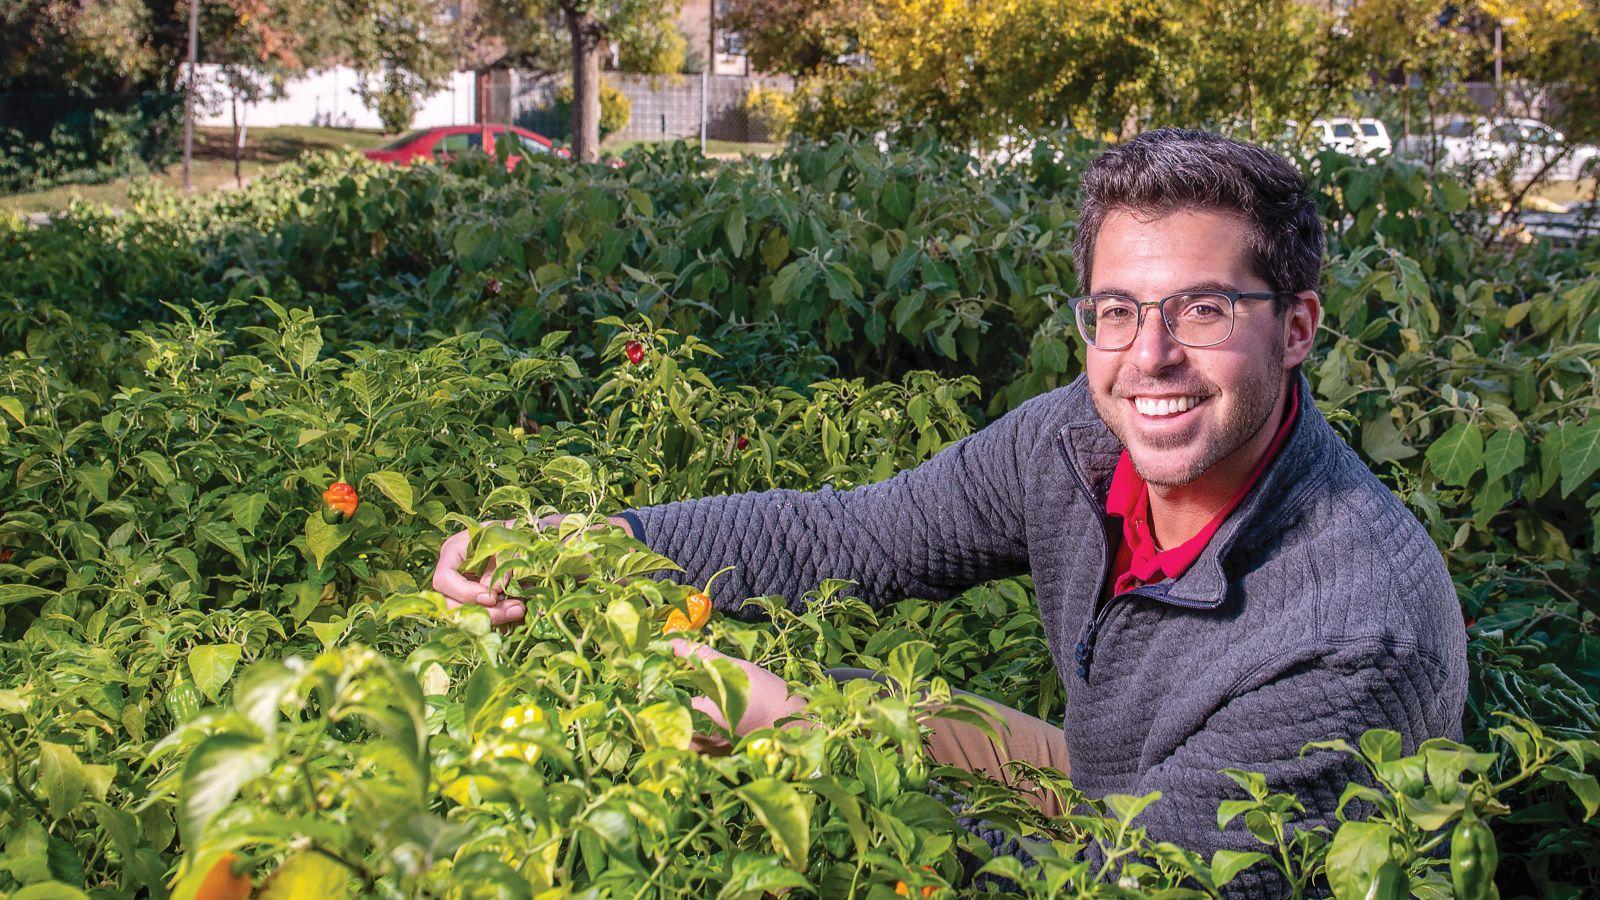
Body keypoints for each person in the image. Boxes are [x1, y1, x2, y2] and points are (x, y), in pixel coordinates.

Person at [430, 127, 1467, 896]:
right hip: (1118, 793)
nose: (1148, 356)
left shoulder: (1350, 633)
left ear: (1294, 327)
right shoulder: (1077, 437)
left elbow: (1136, 888)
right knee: (830, 698)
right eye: (1116, 311)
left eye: (1202, 309)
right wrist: (591, 547)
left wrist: (799, 743)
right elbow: (853, 537)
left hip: (1156, 867)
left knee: (810, 733)